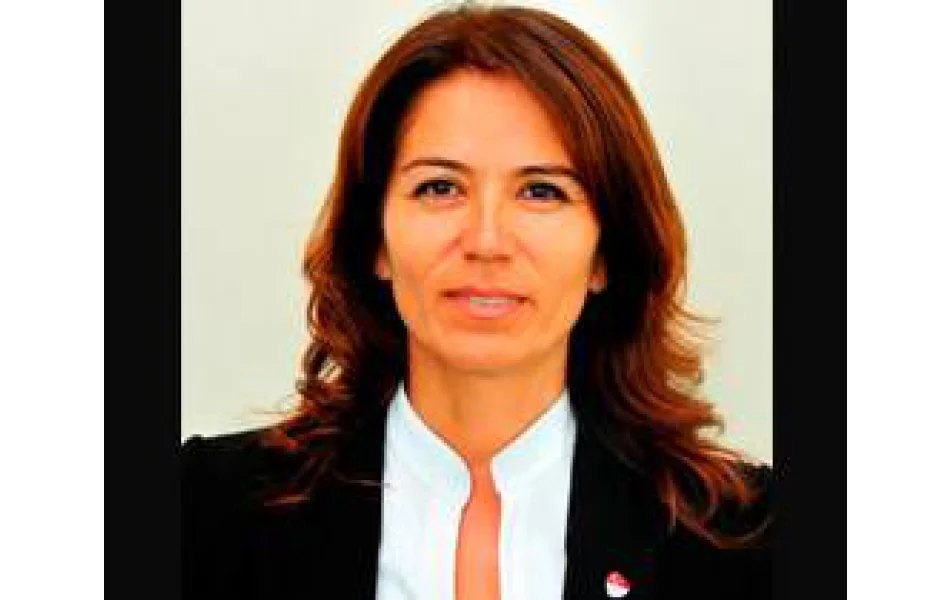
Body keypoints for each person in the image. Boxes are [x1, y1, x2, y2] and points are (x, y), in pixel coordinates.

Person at [182, 4, 772, 599]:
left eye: (541, 191)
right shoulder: (206, 513)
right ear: (375, 239)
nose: (487, 241)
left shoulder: (749, 539)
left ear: (604, 253)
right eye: (439, 187)